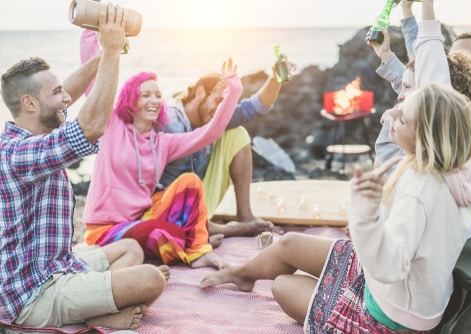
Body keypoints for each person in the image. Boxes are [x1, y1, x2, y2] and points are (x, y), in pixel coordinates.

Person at [200, 82, 471, 333]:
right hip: (391, 284)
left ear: (426, 139)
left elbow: (389, 266)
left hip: (390, 313)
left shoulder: (420, 189)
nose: (389, 117)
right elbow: (440, 104)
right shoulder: (458, 168)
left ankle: (250, 276)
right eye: (398, 108)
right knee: (288, 244)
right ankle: (243, 274)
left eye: (402, 119)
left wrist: (365, 214)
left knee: (282, 285)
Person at [0, 4, 167, 330]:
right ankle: (98, 313)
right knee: (150, 278)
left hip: (57, 266)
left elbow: (66, 96)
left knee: (131, 247)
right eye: (57, 92)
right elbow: (90, 126)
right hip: (32, 295)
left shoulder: (32, 126)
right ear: (30, 103)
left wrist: (108, 49)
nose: (67, 98)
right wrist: (111, 52)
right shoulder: (18, 153)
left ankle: (97, 303)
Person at [82, 59, 242, 270]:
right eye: (146, 95)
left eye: (158, 95)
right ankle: (187, 243)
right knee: (158, 232)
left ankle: (197, 251)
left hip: (141, 218)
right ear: (131, 100)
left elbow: (209, 133)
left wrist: (234, 90)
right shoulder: (112, 125)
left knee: (190, 182)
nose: (154, 100)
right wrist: (97, 38)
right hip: (104, 228)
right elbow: (95, 87)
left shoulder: (162, 143)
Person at [370, 0, 471, 233]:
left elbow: (427, 62)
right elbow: (419, 70)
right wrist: (406, 14)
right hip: (452, 208)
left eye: (459, 57)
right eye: (447, 56)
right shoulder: (440, 103)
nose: (447, 62)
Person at [157, 66, 291, 239]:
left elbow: (255, 108)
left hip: (199, 197)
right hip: (167, 205)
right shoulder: (170, 122)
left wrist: (275, 78)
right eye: (218, 100)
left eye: (225, 104)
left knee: (237, 134)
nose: (221, 110)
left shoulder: (217, 116)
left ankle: (244, 215)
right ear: (199, 92)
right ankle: (214, 229)